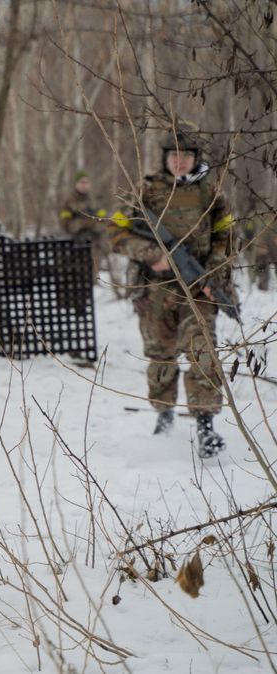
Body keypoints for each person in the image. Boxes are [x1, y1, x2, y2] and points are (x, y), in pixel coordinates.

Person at [109, 121, 235, 457]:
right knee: (160, 354)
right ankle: (164, 417)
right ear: (165, 157)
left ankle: (206, 426)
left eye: (186, 155)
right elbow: (117, 233)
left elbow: (225, 237)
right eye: (174, 155)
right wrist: (152, 254)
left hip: (198, 289)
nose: (180, 161)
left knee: (203, 354)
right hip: (156, 290)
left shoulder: (212, 193)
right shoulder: (146, 191)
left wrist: (212, 272)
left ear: (196, 158)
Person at [59, 170, 109, 275]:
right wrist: (84, 223)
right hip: (75, 246)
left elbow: (104, 222)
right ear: (76, 184)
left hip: (94, 246)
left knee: (93, 277)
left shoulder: (96, 201)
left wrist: (93, 225)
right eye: (81, 182)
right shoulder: (69, 202)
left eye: (86, 182)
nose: (84, 185)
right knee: (77, 276)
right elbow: (66, 225)